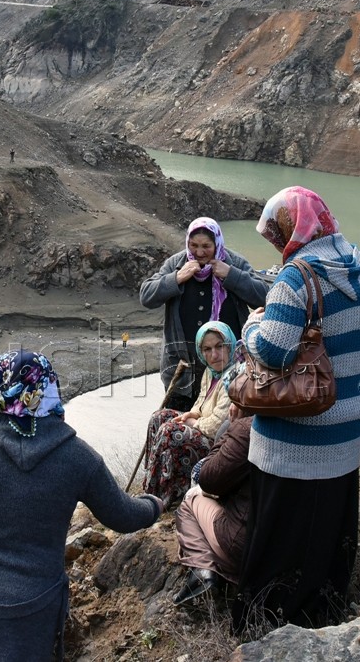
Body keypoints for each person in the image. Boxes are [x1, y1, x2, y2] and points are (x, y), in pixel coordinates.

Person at [0, 350, 162, 661]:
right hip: (33, 602)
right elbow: (123, 516)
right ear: (49, 385)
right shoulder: (78, 457)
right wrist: (154, 504)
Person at [233, 186, 360, 633]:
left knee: (281, 538)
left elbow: (274, 351)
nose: (277, 242)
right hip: (344, 428)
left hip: (293, 436)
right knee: (327, 531)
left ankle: (268, 624)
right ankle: (325, 612)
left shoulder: (295, 278)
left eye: (277, 232)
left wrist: (251, 326)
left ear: (293, 227)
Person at [140, 217, 268, 411]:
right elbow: (146, 296)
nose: (199, 252)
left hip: (229, 369)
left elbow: (265, 297)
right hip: (182, 370)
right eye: (194, 245)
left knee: (223, 422)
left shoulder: (234, 263)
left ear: (217, 243)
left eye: (206, 246)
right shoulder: (176, 263)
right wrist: (177, 278)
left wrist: (232, 275)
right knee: (178, 422)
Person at [141, 321, 240, 505]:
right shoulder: (211, 372)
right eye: (207, 349)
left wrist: (193, 423)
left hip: (220, 445)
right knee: (159, 417)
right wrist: (191, 414)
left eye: (220, 346)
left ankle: (163, 497)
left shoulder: (234, 377)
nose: (214, 355)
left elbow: (217, 425)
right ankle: (150, 486)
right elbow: (200, 401)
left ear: (230, 345)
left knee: (170, 431)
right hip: (203, 429)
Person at [173, 410, 253, 605]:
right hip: (298, 550)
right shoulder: (319, 425)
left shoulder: (251, 428)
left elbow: (208, 479)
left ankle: (202, 571)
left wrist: (232, 428)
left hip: (247, 548)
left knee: (191, 499)